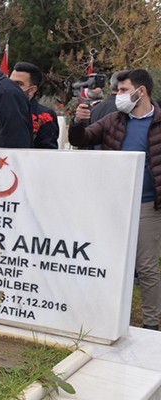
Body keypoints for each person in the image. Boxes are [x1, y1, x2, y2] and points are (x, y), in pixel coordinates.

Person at [68, 68, 161, 331]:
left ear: (140, 91)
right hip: (114, 204)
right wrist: (78, 122)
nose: (117, 95)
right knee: (107, 261)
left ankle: (152, 326)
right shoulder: (114, 120)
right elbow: (82, 139)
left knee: (146, 267)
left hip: (147, 206)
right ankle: (105, 317)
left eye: (122, 90)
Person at [10, 62, 59, 149]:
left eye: (19, 84)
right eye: (10, 82)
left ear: (32, 90)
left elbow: (48, 151)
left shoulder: (44, 116)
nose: (11, 87)